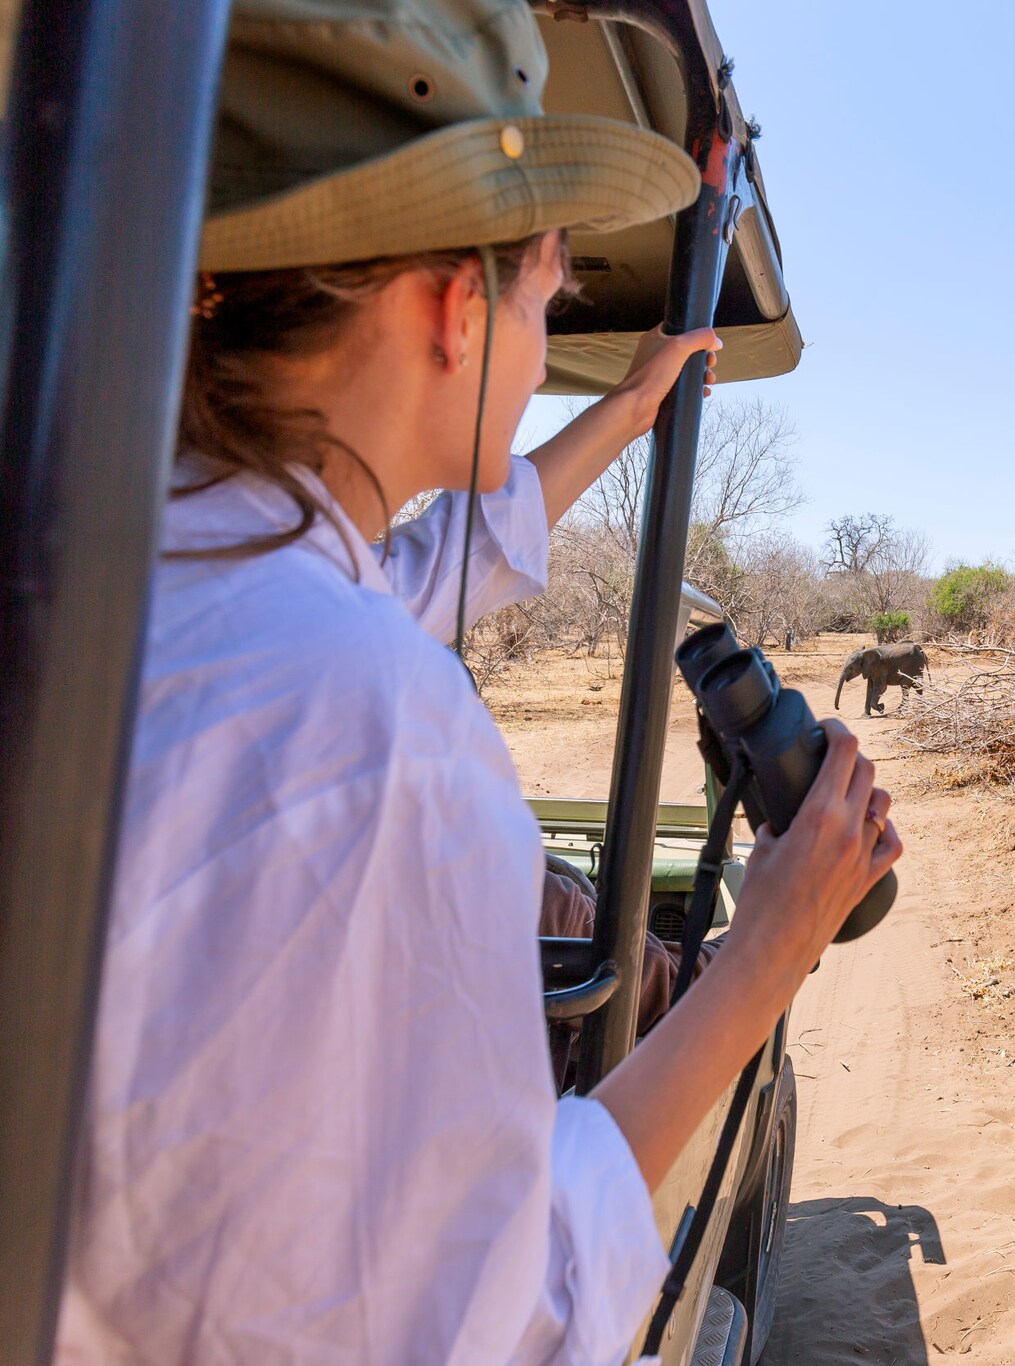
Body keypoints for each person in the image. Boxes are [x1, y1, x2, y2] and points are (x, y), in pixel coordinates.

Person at [56, 2, 901, 1362]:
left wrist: (625, 409)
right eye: (544, 290)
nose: (547, 329)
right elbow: (514, 1311)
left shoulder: (118, 577)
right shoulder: (373, 721)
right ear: (458, 308)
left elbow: (431, 563)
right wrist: (765, 955)